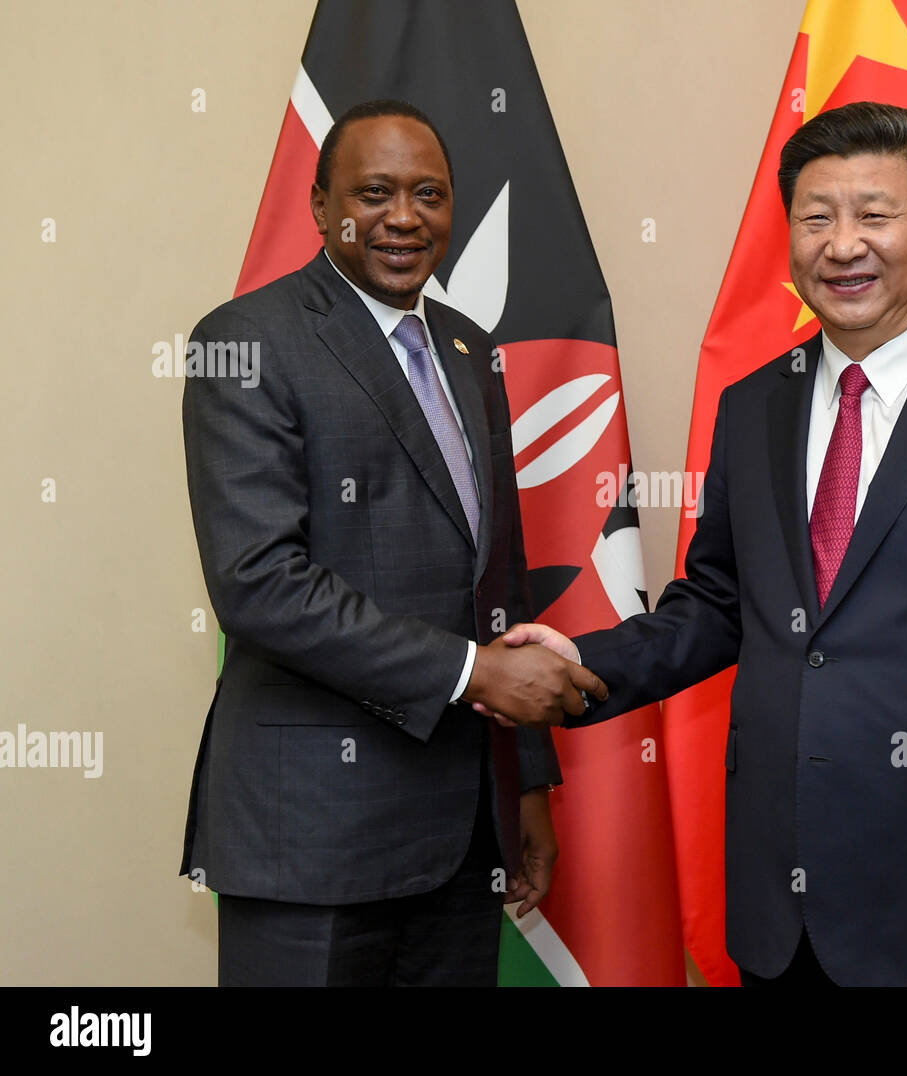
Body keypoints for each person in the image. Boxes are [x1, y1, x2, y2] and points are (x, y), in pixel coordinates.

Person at [493, 101, 907, 987]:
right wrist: (579, 659)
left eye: (875, 214)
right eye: (816, 218)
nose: (843, 244)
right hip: (781, 900)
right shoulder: (756, 403)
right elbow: (720, 603)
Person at [180, 98, 606, 987]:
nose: (404, 217)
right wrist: (473, 673)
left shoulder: (466, 349)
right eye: (373, 193)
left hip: (459, 832)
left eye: (429, 194)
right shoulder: (243, 343)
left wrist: (527, 781)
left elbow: (501, 586)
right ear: (319, 203)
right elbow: (260, 583)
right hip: (313, 835)